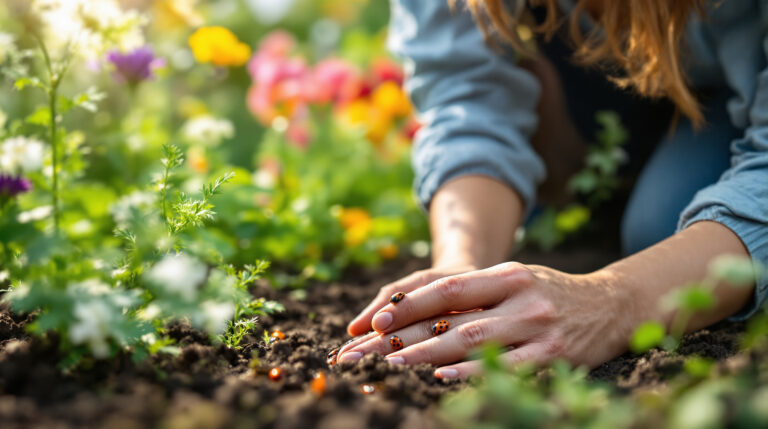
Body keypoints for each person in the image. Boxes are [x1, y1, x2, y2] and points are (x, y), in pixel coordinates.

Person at [336, 0, 768, 379]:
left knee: (660, 225)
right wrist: (464, 271)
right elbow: (465, 95)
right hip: (604, 98)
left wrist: (615, 299)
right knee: (665, 236)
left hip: (738, 90)